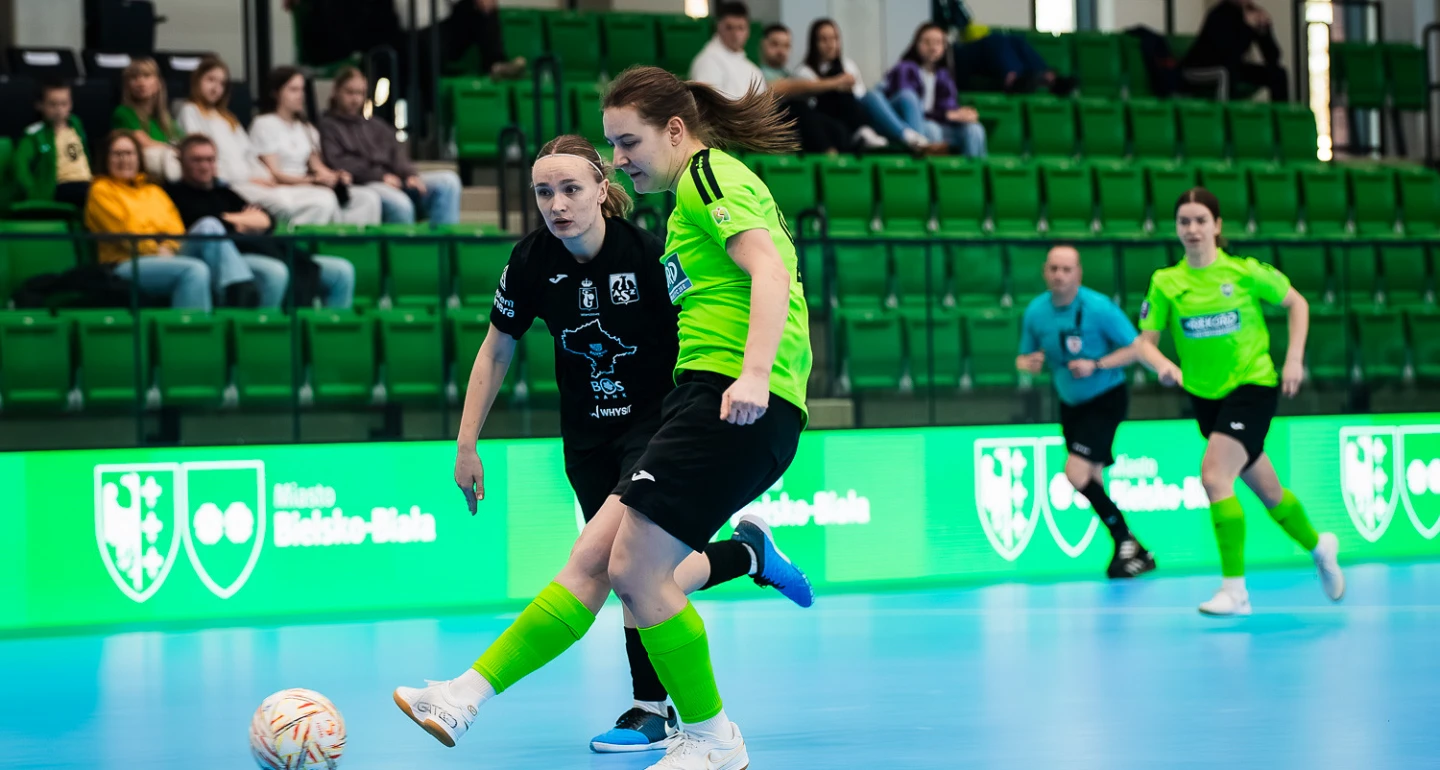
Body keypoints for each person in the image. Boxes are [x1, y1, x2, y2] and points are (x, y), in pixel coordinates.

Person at [394, 65, 812, 770]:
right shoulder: (683, 203)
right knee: (601, 561)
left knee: (636, 571)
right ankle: (463, 696)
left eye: (627, 143)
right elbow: (496, 347)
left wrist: (753, 375)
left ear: (674, 131)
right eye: (611, 146)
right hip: (691, 400)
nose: (618, 160)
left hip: (720, 397)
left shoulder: (706, 179)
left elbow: (770, 272)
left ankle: (709, 737)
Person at [1136, 188, 1343, 616]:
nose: (1192, 229)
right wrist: (1162, 365)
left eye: (1200, 220)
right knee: (1268, 491)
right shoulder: (1166, 282)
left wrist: (1294, 359)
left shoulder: (1245, 272)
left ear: (1217, 225)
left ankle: (1235, 591)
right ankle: (1319, 546)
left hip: (1252, 385)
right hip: (1204, 396)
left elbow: (1297, 303)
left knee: (1214, 476)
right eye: (1184, 221)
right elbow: (1144, 342)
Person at [1017, 245, 1156, 579]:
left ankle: (1124, 538)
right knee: (1091, 479)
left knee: (1075, 472)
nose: (1059, 276)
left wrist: (1097, 364)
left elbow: (1138, 348)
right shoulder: (1036, 311)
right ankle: (1135, 551)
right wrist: (1028, 363)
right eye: (1053, 269)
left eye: (1066, 269)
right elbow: (1023, 357)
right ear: (1044, 272)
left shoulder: (1098, 308)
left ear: (1078, 273)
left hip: (1105, 398)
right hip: (1070, 404)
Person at [166, 135, 357, 310]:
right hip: (230, 257)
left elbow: (267, 219)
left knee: (341, 272)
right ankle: (262, 330)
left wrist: (233, 221)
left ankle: (328, 334)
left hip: (260, 249)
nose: (205, 166)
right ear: (182, 162)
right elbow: (204, 224)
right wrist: (245, 221)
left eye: (210, 159)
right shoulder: (173, 193)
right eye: (197, 160)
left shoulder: (225, 192)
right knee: (273, 271)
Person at [177, 56, 340, 226]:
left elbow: (249, 155)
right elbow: (200, 155)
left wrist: (264, 176)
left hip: (251, 181)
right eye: (211, 80)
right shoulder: (190, 111)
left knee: (323, 197)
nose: (216, 88)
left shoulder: (228, 118)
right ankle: (287, 239)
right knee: (283, 204)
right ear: (197, 81)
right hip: (230, 184)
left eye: (222, 83)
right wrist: (247, 179)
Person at [83, 131, 211, 311]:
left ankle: (236, 292)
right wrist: (156, 248)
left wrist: (168, 247)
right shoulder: (100, 190)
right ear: (106, 158)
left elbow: (176, 230)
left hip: (168, 254)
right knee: (194, 270)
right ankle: (191, 329)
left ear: (138, 158)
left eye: (130, 153)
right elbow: (126, 235)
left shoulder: (154, 191)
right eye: (117, 154)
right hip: (125, 263)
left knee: (210, 228)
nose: (124, 159)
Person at [319, 67, 463, 226]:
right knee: (401, 205)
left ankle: (442, 240)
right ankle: (403, 243)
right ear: (336, 91)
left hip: (396, 180)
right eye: (350, 92)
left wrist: (409, 175)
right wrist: (380, 177)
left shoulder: (376, 125)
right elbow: (339, 163)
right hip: (365, 183)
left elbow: (398, 152)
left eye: (360, 93)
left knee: (448, 182)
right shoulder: (327, 127)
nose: (355, 99)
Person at [250, 67, 383, 226]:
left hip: (308, 183)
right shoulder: (264, 124)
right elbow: (275, 173)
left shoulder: (306, 128)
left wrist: (335, 176)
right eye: (293, 90)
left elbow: (317, 165)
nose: (300, 95)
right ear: (276, 93)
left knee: (368, 198)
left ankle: (358, 240)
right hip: (284, 187)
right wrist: (312, 181)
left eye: (302, 90)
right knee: (325, 200)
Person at [797, 18, 931, 150]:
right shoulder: (804, 71)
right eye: (823, 40)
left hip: (862, 111)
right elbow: (812, 104)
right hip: (837, 119)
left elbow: (860, 96)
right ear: (814, 43)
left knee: (907, 96)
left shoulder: (847, 64)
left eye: (834, 39)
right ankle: (906, 135)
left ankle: (918, 141)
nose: (830, 44)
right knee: (871, 96)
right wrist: (838, 83)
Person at [757, 22, 884, 152]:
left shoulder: (789, 73)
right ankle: (831, 155)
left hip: (808, 124)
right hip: (776, 124)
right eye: (774, 44)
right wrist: (837, 82)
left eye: (786, 46)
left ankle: (860, 136)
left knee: (838, 127)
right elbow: (781, 88)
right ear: (762, 44)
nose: (781, 51)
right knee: (798, 107)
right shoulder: (757, 73)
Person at [884, 23, 987, 157]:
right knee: (932, 129)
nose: (933, 48)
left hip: (942, 125)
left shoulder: (944, 75)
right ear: (916, 44)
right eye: (927, 42)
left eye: (938, 43)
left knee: (975, 129)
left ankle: (974, 169)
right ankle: (934, 169)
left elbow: (949, 109)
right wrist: (945, 115)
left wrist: (962, 115)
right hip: (915, 127)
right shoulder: (905, 69)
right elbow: (911, 110)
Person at [1182, 0, 1287, 101]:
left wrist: (1264, 30)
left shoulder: (1250, 13)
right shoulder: (1219, 14)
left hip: (1231, 66)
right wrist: (1247, 28)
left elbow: (1273, 58)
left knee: (1278, 74)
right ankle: (1226, 112)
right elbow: (1226, 54)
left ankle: (1280, 112)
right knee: (1226, 73)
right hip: (1200, 67)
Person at [14, 77, 93, 209]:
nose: (59, 109)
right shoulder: (35, 134)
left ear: (71, 104)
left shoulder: (76, 124)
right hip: (61, 185)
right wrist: (34, 191)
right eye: (53, 104)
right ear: (39, 105)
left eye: (64, 103)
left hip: (87, 181)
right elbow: (20, 166)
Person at [111, 57, 183, 182]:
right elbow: (143, 143)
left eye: (147, 76)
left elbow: (184, 143)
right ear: (127, 85)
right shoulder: (123, 113)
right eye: (134, 78)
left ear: (158, 82)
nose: (140, 82)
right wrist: (176, 150)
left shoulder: (165, 119)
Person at [688, 1, 766, 100]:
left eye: (740, 28)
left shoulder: (753, 69)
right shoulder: (707, 62)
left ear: (748, 31)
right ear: (718, 27)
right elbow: (708, 103)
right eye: (729, 28)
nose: (735, 34)